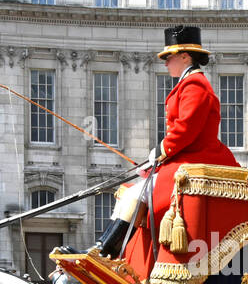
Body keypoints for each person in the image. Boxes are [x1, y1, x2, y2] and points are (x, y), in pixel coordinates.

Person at [93, 25, 239, 259]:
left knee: (135, 195)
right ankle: (107, 248)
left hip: (197, 159)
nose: (165, 63)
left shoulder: (195, 85)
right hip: (184, 158)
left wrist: (160, 151)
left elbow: (185, 130)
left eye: (168, 57)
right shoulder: (189, 84)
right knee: (129, 191)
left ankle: (105, 250)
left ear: (185, 56)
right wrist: (157, 159)